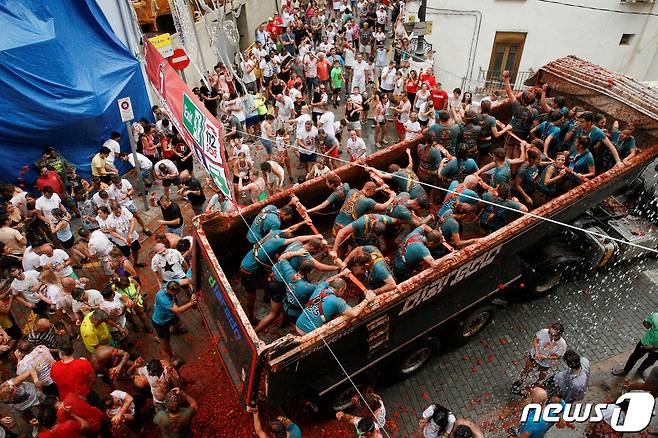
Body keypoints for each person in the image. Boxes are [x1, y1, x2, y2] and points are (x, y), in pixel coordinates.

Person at [296, 277, 376, 334]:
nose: (343, 293)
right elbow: (354, 313)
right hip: (309, 333)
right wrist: (367, 299)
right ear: (341, 290)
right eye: (344, 291)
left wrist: (342, 273)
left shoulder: (320, 287)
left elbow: (329, 279)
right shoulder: (337, 301)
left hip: (298, 324)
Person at [512, 323, 567, 394]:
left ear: (560, 334)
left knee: (542, 375)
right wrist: (537, 351)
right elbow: (535, 339)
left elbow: (558, 356)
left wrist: (545, 357)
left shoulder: (562, 344)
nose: (550, 335)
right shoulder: (544, 331)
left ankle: (535, 384)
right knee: (526, 369)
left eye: (553, 335)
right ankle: (520, 381)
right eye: (549, 332)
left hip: (545, 362)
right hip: (534, 355)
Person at [152, 281, 198, 360]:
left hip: (170, 316)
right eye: (174, 293)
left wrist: (193, 289)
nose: (176, 295)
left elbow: (188, 280)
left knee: (177, 322)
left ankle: (173, 331)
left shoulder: (171, 284)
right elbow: (178, 310)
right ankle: (171, 356)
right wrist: (191, 303)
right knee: (165, 342)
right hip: (161, 322)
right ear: (169, 290)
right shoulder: (163, 298)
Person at [612, 311, 658, 380]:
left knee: (650, 361)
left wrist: (653, 347)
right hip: (646, 342)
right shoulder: (655, 316)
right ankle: (625, 370)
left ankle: (641, 370)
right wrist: (646, 324)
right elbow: (645, 322)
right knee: (634, 356)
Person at [106, 203, 144, 267]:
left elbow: (133, 220)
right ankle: (128, 265)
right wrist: (123, 239)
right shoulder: (109, 219)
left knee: (135, 249)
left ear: (120, 208)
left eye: (119, 212)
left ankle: (136, 262)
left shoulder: (125, 211)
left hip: (132, 236)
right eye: (116, 213)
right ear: (112, 211)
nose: (118, 214)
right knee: (126, 254)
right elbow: (111, 231)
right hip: (121, 241)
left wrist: (130, 233)